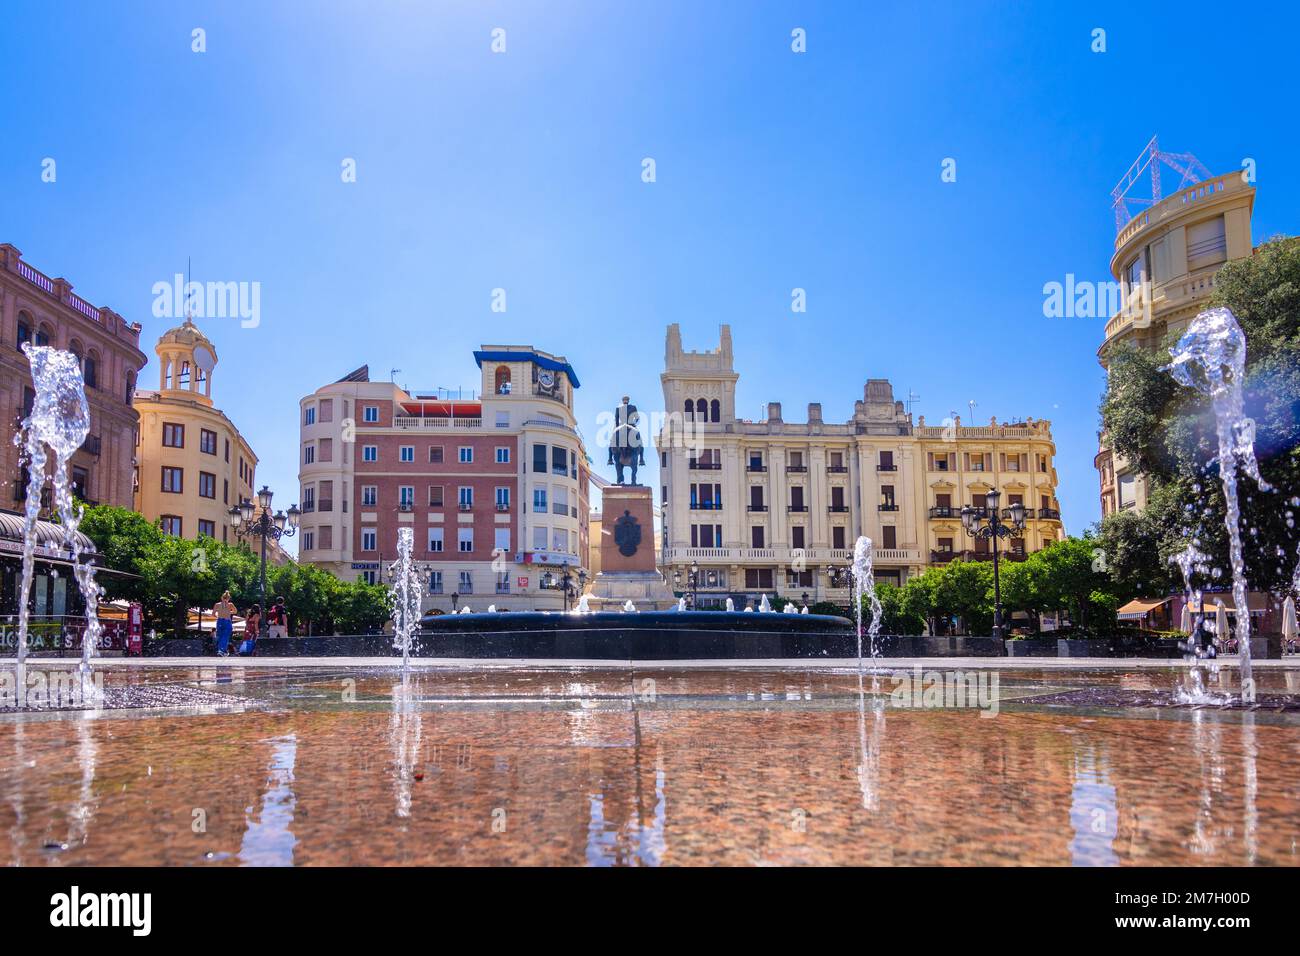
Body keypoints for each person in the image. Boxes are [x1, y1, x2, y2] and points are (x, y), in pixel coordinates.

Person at [213, 591, 236, 656]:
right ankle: (222, 650)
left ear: (221, 598)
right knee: (225, 636)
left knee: (220, 636)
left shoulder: (217, 604)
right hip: (227, 621)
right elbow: (235, 611)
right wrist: (229, 612)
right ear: (228, 598)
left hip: (219, 621)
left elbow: (213, 614)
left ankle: (221, 650)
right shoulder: (230, 604)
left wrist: (219, 615)